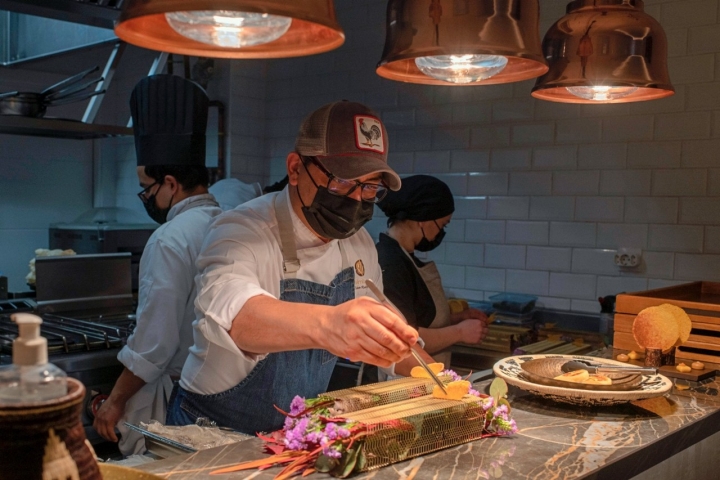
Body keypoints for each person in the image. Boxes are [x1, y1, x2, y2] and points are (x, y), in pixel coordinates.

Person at [165, 100, 422, 435]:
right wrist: (331, 324)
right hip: (211, 433)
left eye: (371, 187)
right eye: (342, 181)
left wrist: (437, 379)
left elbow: (384, 339)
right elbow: (236, 318)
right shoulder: (240, 230)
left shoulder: (357, 245)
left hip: (290, 438)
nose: (356, 199)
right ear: (296, 168)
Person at [93, 74, 222, 455]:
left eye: (146, 189)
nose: (146, 199)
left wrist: (115, 400)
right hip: (224, 398)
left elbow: (155, 342)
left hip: (182, 401)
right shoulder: (230, 223)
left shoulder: (170, 237)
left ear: (169, 183)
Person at [375, 175, 489, 369]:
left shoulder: (407, 259)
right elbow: (404, 335)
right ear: (423, 219)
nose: (441, 232)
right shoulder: (390, 263)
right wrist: (459, 332)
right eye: (442, 225)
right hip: (396, 384)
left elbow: (418, 315)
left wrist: (456, 319)